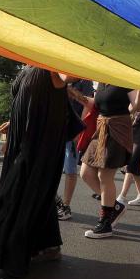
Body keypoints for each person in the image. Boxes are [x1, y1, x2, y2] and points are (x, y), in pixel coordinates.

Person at [0, 67, 82, 278]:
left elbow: (69, 74)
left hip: (38, 141)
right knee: (34, 192)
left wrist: (65, 67)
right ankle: (49, 245)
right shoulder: (32, 64)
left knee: (18, 193)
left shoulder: (49, 60)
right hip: (28, 134)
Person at [78, 84, 140, 239]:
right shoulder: (102, 80)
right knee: (85, 173)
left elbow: (138, 106)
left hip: (117, 128)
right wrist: (73, 94)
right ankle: (114, 206)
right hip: (101, 127)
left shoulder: (125, 77)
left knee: (104, 176)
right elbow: (96, 103)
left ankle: (105, 223)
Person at [56, 79, 94, 221]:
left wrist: (79, 128)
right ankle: (55, 201)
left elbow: (87, 104)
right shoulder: (60, 75)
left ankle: (66, 206)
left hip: (72, 129)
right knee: (49, 167)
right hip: (56, 127)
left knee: (70, 169)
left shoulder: (84, 80)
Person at [118, 92, 140, 205]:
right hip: (132, 138)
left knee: (130, 166)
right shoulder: (132, 105)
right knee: (136, 170)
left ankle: (122, 196)